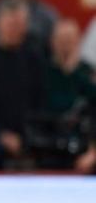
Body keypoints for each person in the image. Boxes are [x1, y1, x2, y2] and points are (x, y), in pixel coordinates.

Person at [0, 0, 45, 170]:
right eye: (10, 23)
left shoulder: (35, 60)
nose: (14, 28)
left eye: (18, 23)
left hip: (28, 131)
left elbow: (40, 101)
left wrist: (24, 134)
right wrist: (2, 134)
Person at [39, 19, 96, 172]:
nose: (65, 45)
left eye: (70, 40)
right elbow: (52, 105)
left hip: (83, 139)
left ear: (78, 42)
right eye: (61, 40)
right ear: (52, 42)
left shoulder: (86, 71)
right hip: (49, 139)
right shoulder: (43, 72)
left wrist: (74, 72)